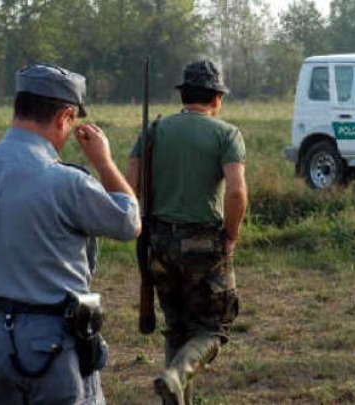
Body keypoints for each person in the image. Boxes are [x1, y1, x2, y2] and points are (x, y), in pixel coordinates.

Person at [0, 63, 140, 404]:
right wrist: (104, 163)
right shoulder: (67, 181)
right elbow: (129, 222)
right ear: (64, 116)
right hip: (54, 339)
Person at [126, 60, 247, 405]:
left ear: (184, 94)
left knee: (176, 327)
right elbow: (237, 192)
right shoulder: (226, 134)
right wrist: (231, 234)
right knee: (212, 328)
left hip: (159, 243)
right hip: (205, 245)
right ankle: (176, 376)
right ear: (216, 98)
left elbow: (129, 186)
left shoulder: (153, 130)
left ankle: (175, 392)